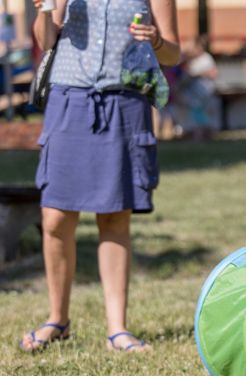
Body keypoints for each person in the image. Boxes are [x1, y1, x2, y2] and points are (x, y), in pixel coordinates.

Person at [20, 0, 180, 354]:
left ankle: (117, 329)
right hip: (69, 100)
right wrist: (47, 10)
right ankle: (57, 319)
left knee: (115, 214)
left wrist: (155, 40)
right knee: (55, 216)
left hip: (125, 102)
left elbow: (172, 54)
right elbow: (46, 41)